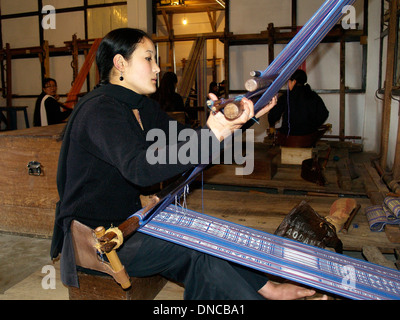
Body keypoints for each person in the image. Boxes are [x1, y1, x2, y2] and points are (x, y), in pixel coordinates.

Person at [50, 27, 323, 300]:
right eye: (148, 59)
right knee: (196, 251)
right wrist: (213, 135)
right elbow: (140, 168)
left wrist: (238, 120)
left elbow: (188, 138)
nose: (157, 68)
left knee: (210, 233)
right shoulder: (99, 110)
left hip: (129, 224)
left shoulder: (140, 107)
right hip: (101, 241)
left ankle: (268, 288)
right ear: (120, 63)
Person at [268, 69, 329, 136]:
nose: (288, 84)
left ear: (294, 82)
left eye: (289, 82)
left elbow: (273, 115)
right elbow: (324, 113)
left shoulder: (287, 97)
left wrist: (271, 124)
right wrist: (313, 126)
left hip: (289, 137)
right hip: (308, 137)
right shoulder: (313, 95)